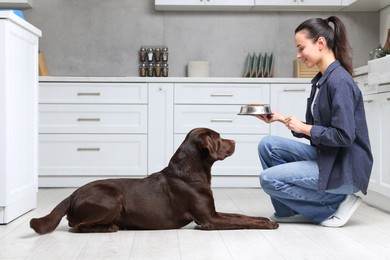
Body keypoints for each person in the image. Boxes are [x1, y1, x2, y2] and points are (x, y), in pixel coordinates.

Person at [256, 16, 373, 227]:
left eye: (301, 48)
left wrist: (304, 127)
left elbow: (344, 136)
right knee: (268, 145)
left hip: (344, 168)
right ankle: (288, 211)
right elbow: (318, 130)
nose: (298, 55)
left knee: (268, 179)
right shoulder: (320, 80)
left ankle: (333, 205)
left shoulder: (340, 82)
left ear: (320, 43)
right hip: (329, 156)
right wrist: (283, 119)